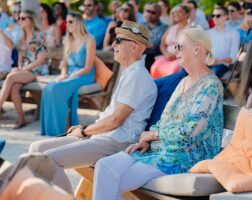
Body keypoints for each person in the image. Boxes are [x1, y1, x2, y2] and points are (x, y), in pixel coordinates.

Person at [92, 27, 224, 200]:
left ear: (197, 49)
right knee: (104, 166)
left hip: (186, 156)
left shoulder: (211, 87)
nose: (174, 51)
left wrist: (155, 135)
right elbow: (165, 118)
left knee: (112, 179)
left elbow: (189, 133)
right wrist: (147, 141)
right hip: (161, 149)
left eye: (179, 47)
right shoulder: (184, 81)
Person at [29, 21, 157, 194]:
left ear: (134, 47)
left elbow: (115, 121)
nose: (113, 44)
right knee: (36, 149)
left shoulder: (137, 77)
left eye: (118, 40)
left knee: (49, 160)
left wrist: (84, 131)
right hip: (104, 136)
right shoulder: (130, 73)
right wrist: (85, 129)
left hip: (117, 141)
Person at [40, 12, 96, 136]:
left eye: (71, 22)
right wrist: (63, 74)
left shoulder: (89, 40)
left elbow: (87, 67)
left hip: (84, 75)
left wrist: (70, 77)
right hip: (70, 74)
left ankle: (60, 130)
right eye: (67, 21)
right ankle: (50, 130)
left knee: (56, 88)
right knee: (48, 88)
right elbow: (64, 64)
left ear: (79, 23)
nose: (67, 24)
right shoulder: (67, 40)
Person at [0, 10, 48, 129]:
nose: (20, 21)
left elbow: (41, 59)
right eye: (19, 18)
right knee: (14, 88)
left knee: (11, 77)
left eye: (23, 18)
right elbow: (21, 59)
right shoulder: (21, 36)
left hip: (38, 71)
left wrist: (23, 69)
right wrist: (19, 68)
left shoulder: (39, 36)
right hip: (25, 70)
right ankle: (22, 119)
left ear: (31, 20)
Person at [150, 4, 190, 78]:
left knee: (173, 71)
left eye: (179, 12)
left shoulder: (191, 29)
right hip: (166, 57)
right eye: (174, 12)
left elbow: (189, 47)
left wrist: (176, 55)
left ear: (186, 14)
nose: (176, 14)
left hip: (181, 59)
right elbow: (162, 44)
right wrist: (166, 54)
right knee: (154, 68)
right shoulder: (171, 28)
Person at [206, 6, 240, 78]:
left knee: (209, 77)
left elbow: (233, 57)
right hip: (206, 64)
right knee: (185, 73)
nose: (215, 18)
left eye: (218, 16)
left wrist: (217, 60)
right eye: (213, 16)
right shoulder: (208, 33)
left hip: (222, 66)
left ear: (226, 17)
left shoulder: (234, 33)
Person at [142, 3, 168, 70]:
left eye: (153, 12)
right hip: (140, 55)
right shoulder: (141, 25)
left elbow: (155, 45)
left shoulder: (164, 28)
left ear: (159, 14)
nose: (150, 14)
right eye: (148, 11)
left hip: (154, 58)